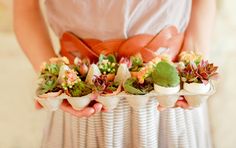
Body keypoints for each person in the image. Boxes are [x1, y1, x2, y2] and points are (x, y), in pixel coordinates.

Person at [14, 0, 216, 147]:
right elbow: (25, 7)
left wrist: (194, 73)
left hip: (169, 100)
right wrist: (56, 79)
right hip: (83, 99)